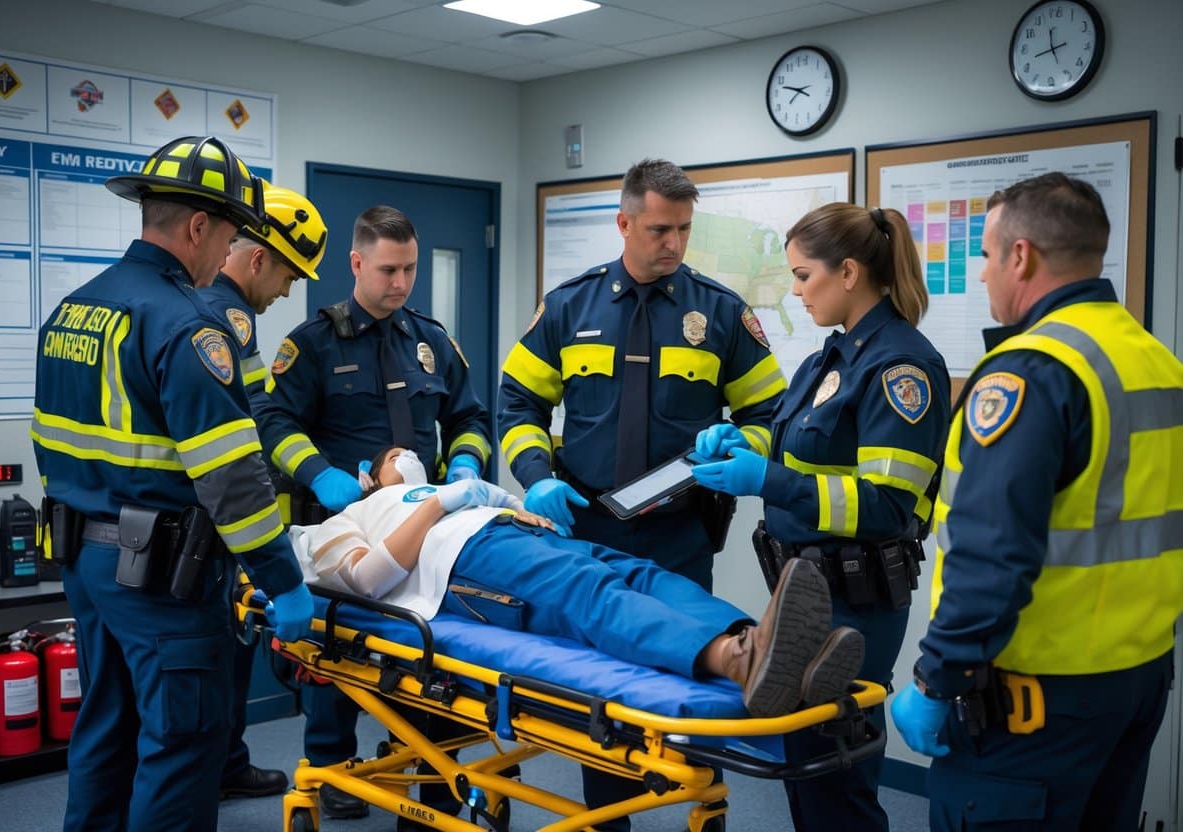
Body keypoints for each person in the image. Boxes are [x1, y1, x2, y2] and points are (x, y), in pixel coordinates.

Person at [29, 136, 314, 831]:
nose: (226, 257)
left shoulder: (74, 308)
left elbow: (50, 443)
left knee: (106, 728)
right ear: (196, 226)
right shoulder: (188, 325)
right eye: (227, 238)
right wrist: (283, 580)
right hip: (159, 577)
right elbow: (233, 480)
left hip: (84, 561)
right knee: (182, 746)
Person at [498, 159, 786, 829]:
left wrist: (744, 450)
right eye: (659, 229)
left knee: (695, 677)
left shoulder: (718, 312)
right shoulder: (570, 306)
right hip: (586, 530)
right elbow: (516, 404)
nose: (674, 244)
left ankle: (702, 815)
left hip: (679, 533)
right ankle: (609, 821)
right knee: (600, 687)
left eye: (684, 229)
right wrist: (537, 476)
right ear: (623, 222)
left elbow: (771, 414)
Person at [891, 172, 1183, 830]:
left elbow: (991, 552)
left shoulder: (1033, 371)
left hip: (1034, 699)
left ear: (1019, 256)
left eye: (987, 258)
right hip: (1134, 677)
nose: (983, 276)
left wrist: (938, 680)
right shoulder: (1154, 358)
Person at [690, 202, 950, 831]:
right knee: (805, 774)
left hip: (856, 598)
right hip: (801, 592)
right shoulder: (826, 361)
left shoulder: (901, 369)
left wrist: (769, 481)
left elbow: (888, 504)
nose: (796, 291)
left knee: (839, 788)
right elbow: (797, 449)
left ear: (851, 273)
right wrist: (740, 445)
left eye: (805, 276)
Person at [294, 446, 865, 719]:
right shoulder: (344, 520)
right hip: (461, 564)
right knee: (589, 594)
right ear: (368, 476)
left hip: (508, 534)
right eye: (391, 453)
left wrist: (500, 502)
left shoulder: (441, 487)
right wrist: (443, 502)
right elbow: (368, 579)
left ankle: (772, 644)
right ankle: (734, 658)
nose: (404, 453)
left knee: (643, 574)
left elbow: (474, 499)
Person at [256, 205, 494, 823]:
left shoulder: (432, 341)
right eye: (388, 269)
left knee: (425, 662)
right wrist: (318, 474)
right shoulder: (310, 345)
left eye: (410, 268)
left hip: (418, 532)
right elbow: (273, 423)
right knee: (336, 666)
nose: (401, 282)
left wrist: (465, 464)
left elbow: (470, 418)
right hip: (344, 529)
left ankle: (427, 771)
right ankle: (332, 772)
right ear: (357, 263)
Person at [199, 183, 329, 801]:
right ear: (257, 259)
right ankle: (218, 767)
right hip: (212, 528)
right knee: (215, 661)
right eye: (287, 277)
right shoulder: (226, 318)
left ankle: (227, 761)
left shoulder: (197, 305)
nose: (286, 293)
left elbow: (258, 416)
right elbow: (245, 436)